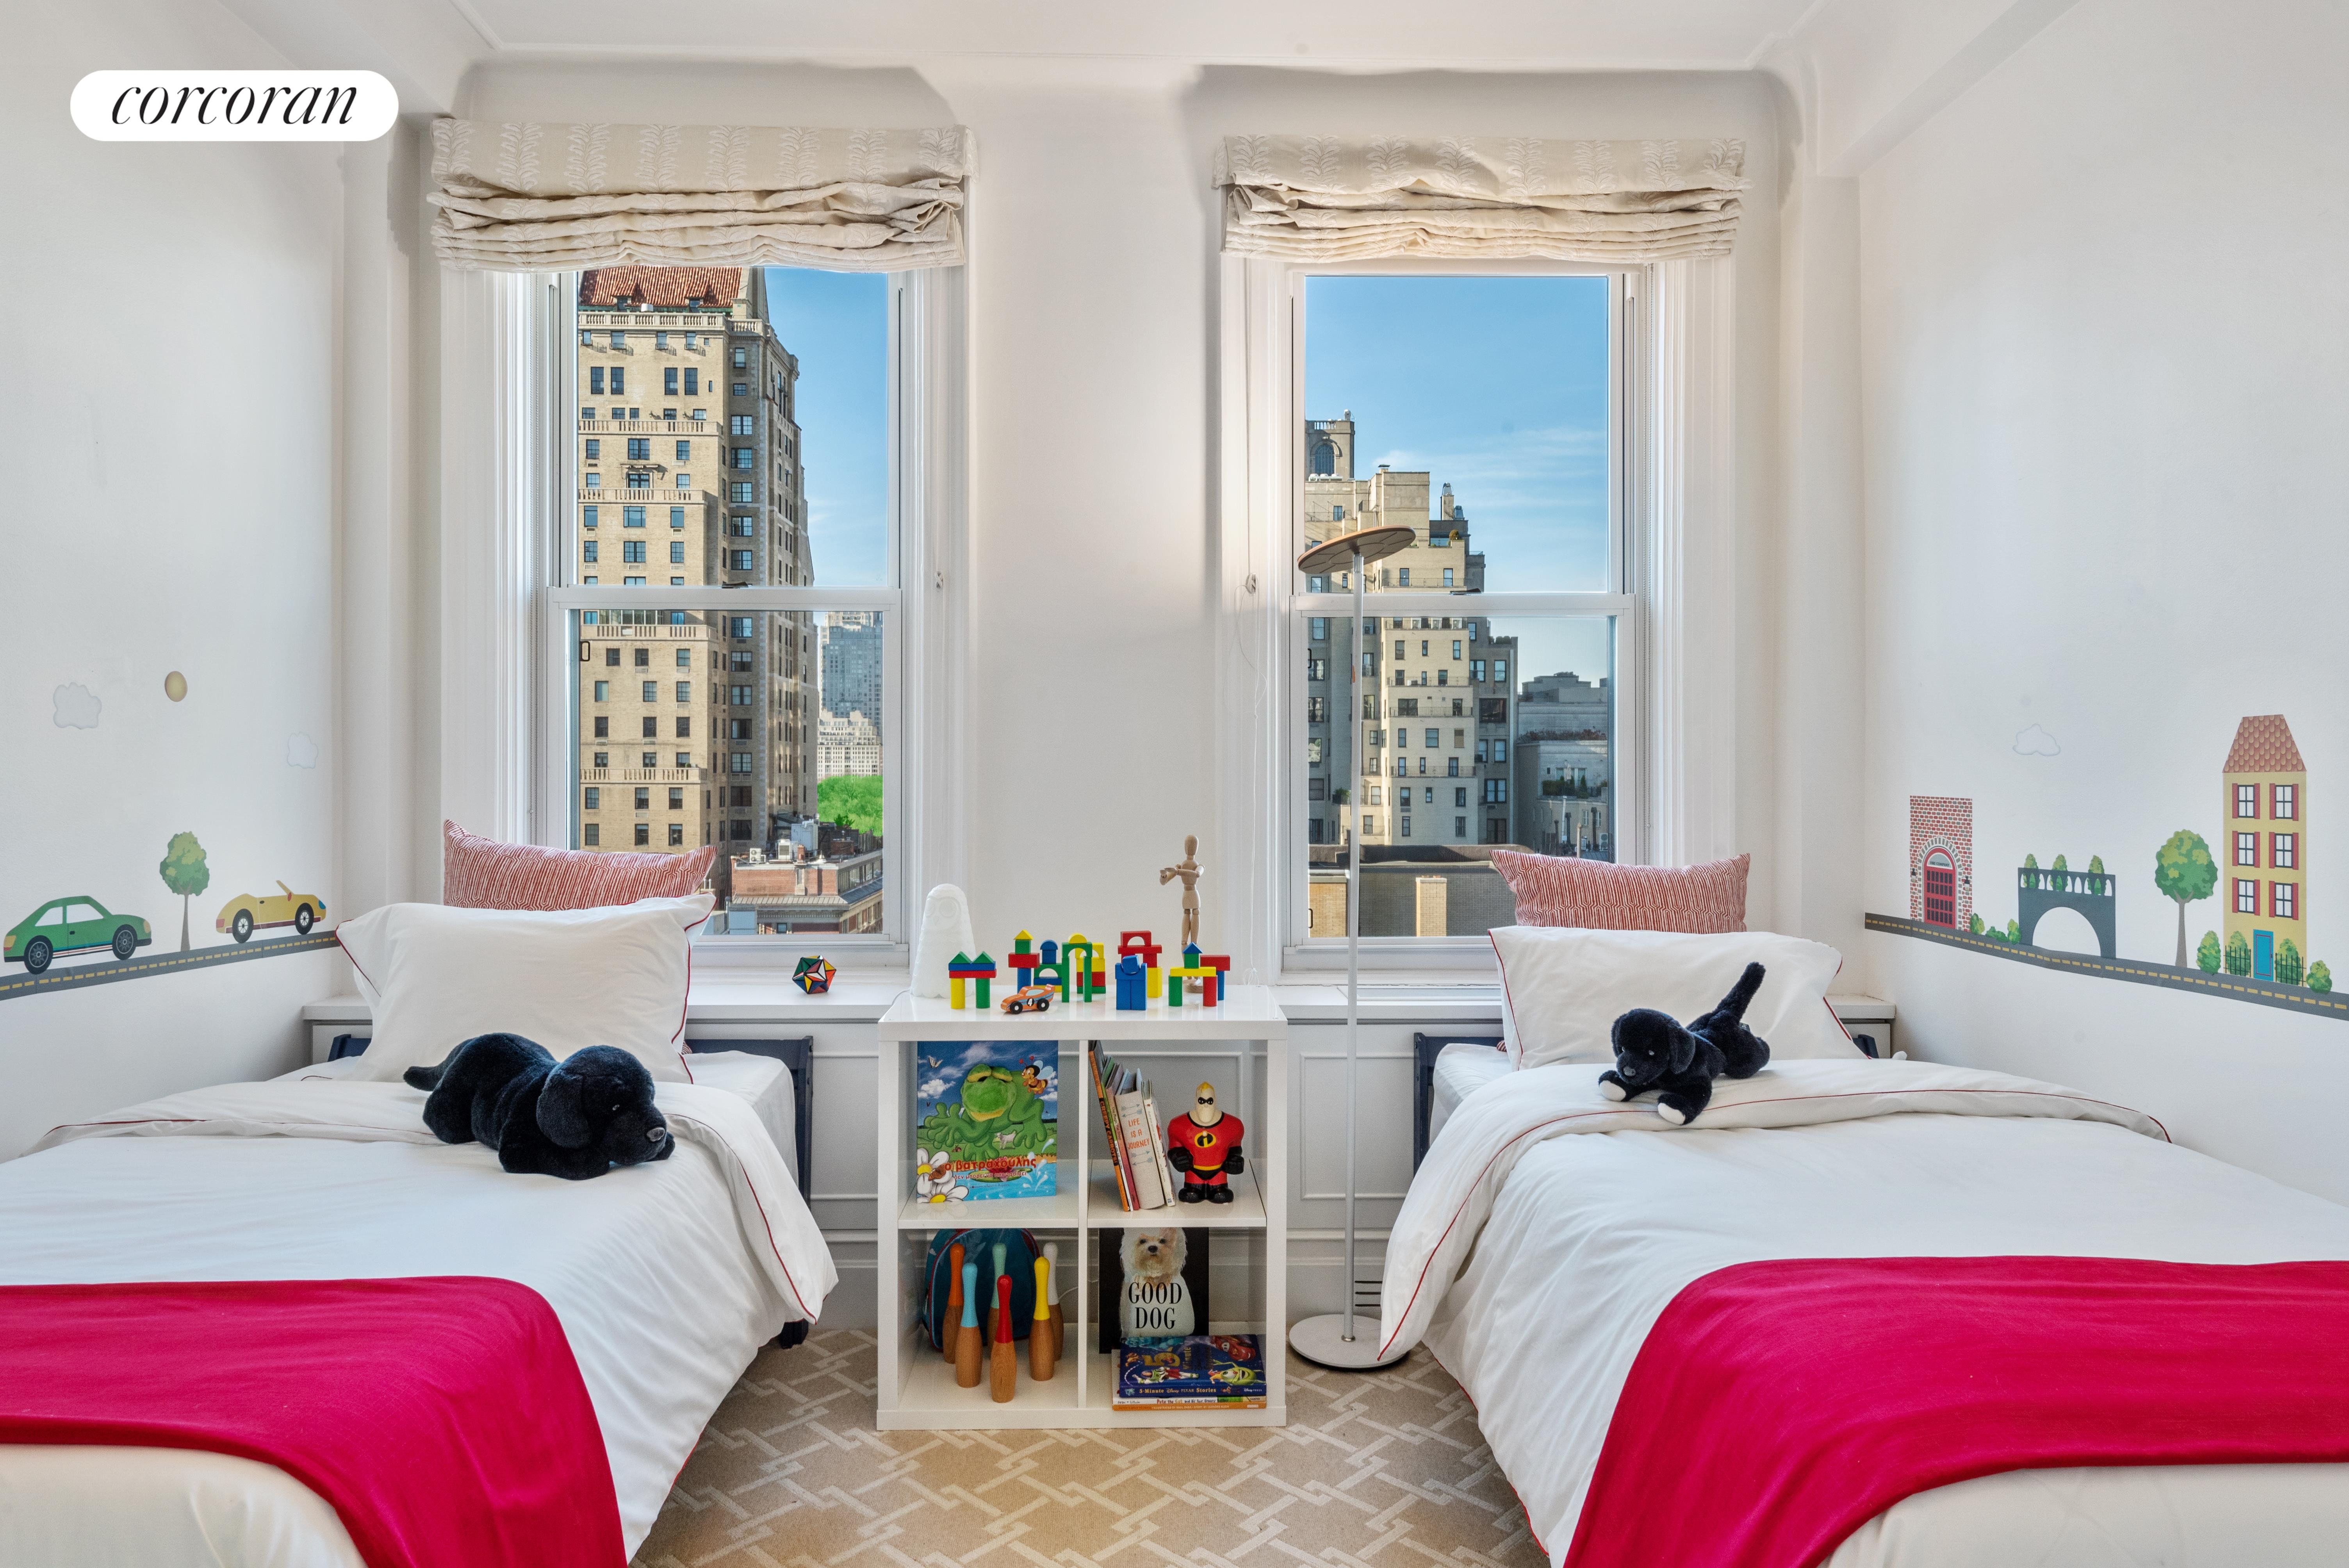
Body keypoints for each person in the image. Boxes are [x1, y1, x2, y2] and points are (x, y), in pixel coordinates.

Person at [1158, 835, 1202, 950]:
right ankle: (1184, 945)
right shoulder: (1180, 867)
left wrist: (1178, 872)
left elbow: (1197, 874)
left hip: (1194, 894)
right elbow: (1165, 881)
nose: (1189, 848)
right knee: (1186, 915)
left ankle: (1195, 945)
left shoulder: (1199, 866)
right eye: (1188, 845)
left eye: (1192, 845)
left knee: (1196, 914)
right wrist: (1164, 876)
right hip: (1186, 895)